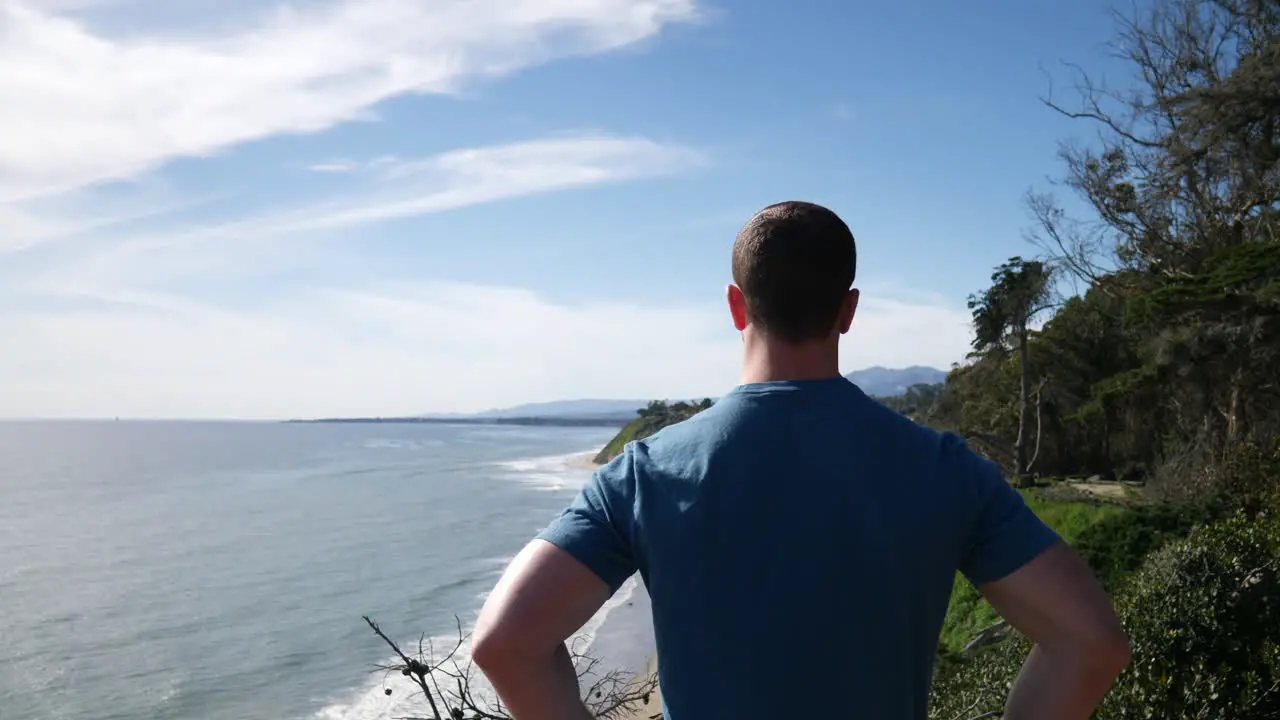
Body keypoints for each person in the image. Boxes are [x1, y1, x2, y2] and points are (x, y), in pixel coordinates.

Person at [471, 201, 1131, 719]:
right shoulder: (942, 468)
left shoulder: (646, 473)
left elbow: (505, 645)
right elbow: (1092, 645)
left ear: (736, 305)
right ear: (848, 311)